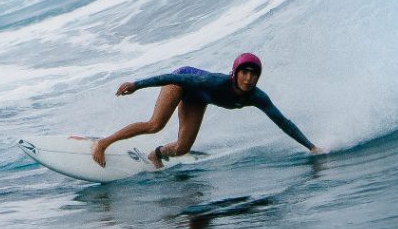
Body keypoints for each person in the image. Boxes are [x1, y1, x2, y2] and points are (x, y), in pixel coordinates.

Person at [92, 52, 321, 167]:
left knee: (182, 149)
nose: (249, 78)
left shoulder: (257, 97)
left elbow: (283, 122)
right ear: (235, 73)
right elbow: (171, 77)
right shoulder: (214, 82)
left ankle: (157, 154)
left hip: (198, 99)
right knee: (155, 124)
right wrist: (137, 84)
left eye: (254, 74)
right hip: (183, 81)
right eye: (244, 72)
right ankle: (103, 143)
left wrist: (311, 147)